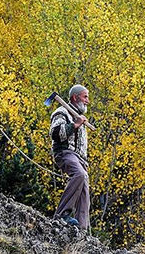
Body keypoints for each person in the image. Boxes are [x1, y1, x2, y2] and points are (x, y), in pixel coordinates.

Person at [49, 84, 90, 229]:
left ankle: (81, 230)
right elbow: (55, 133)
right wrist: (74, 125)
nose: (87, 101)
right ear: (75, 97)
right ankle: (61, 216)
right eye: (85, 97)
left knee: (84, 194)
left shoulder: (79, 117)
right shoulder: (62, 112)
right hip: (66, 153)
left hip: (80, 159)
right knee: (79, 174)